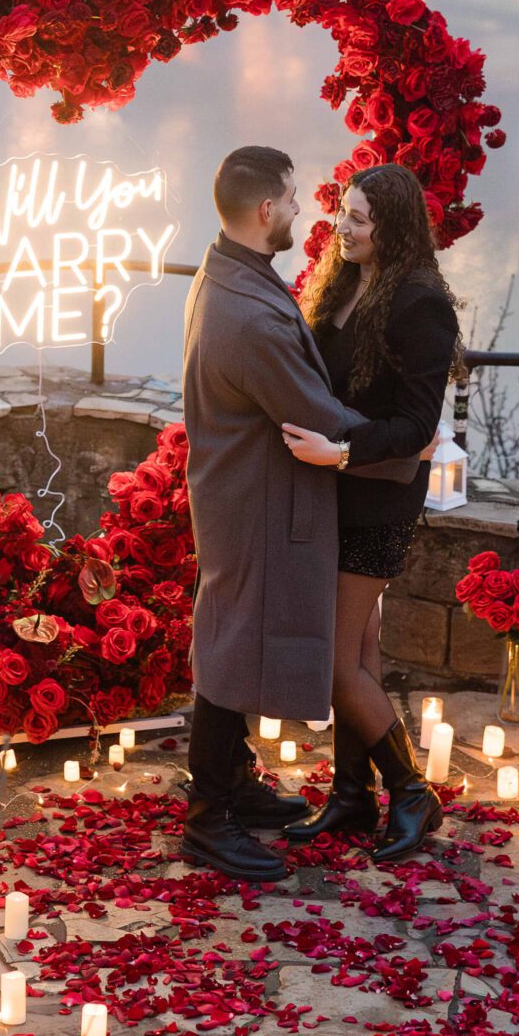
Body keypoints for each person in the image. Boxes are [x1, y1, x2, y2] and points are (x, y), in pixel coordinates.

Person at [178, 146, 420, 883]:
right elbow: (316, 414)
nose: (300, 210)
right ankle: (209, 820)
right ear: (263, 212)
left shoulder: (228, 270)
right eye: (290, 199)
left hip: (238, 490)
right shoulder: (249, 315)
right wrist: (407, 449)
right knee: (229, 648)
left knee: (232, 633)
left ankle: (237, 786)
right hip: (253, 501)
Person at [277, 164, 459, 863]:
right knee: (357, 653)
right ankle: (352, 795)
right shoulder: (346, 282)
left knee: (331, 660)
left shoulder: (420, 302)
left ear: (396, 225)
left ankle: (412, 790)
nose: (342, 227)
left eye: (359, 218)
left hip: (376, 495)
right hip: (333, 490)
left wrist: (340, 452)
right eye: (342, 213)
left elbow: (417, 423)